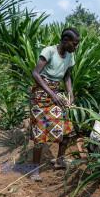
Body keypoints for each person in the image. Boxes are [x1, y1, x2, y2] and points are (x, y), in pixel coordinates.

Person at [28, 27, 80, 181]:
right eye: (74, 44)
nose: (75, 47)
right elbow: (35, 74)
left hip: (55, 96)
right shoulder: (49, 51)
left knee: (67, 129)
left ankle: (60, 160)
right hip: (40, 97)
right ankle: (34, 170)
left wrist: (69, 92)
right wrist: (51, 93)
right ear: (65, 41)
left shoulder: (69, 55)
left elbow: (67, 76)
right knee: (40, 133)